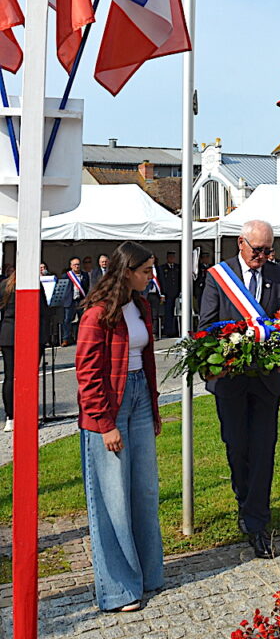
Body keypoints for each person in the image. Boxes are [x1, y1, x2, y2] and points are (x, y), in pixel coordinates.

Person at [199, 220, 280, 559]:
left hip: (267, 379)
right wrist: (232, 345)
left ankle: (257, 521)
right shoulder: (219, 277)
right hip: (231, 379)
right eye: (258, 250)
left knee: (264, 448)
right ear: (241, 243)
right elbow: (206, 326)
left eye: (269, 250)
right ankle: (244, 499)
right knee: (237, 446)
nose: (264, 256)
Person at [75, 242, 163, 612]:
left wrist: (153, 410)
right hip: (109, 409)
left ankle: (147, 574)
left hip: (140, 395)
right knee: (112, 499)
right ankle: (119, 589)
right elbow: (87, 372)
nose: (151, 277)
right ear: (127, 271)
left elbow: (144, 359)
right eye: (146, 271)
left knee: (143, 490)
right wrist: (105, 424)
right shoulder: (97, 314)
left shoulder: (139, 305)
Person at [1, 271, 49, 431]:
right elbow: (43, 311)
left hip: (8, 334)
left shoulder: (5, 285)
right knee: (28, 376)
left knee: (9, 376)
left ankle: (10, 418)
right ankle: (27, 415)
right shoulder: (34, 285)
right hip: (30, 334)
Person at [60, 256, 90, 346]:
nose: (77, 266)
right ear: (71, 266)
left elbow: (86, 287)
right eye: (75, 264)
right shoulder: (66, 275)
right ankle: (66, 338)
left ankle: (80, 338)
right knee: (67, 320)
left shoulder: (85, 275)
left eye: (78, 264)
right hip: (70, 301)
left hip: (80, 300)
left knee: (82, 320)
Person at [159, 250, 180, 338]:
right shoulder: (162, 268)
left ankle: (176, 330)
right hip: (167, 294)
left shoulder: (178, 267)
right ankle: (168, 331)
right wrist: (162, 293)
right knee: (168, 313)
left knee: (177, 312)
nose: (172, 259)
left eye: (173, 257)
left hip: (177, 293)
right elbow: (162, 281)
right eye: (170, 257)